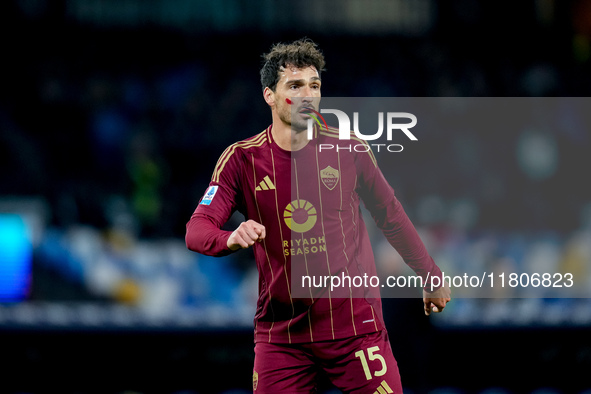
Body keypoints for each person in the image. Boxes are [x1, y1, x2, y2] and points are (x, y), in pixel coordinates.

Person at [186, 38, 450, 393]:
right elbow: (196, 229)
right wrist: (229, 237)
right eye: (295, 85)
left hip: (355, 331)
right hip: (283, 338)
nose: (308, 94)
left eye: (314, 85)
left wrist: (429, 274)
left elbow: (391, 215)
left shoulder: (349, 149)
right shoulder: (241, 160)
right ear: (269, 95)